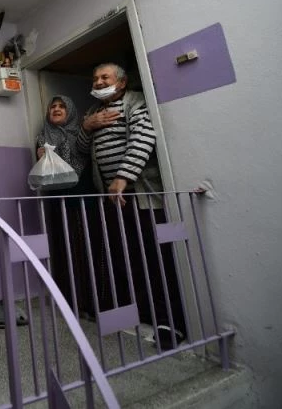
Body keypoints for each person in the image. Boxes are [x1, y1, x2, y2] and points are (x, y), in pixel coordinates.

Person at [76, 62, 186, 349]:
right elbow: (82, 150)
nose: (98, 82)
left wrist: (123, 176)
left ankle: (170, 323)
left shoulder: (135, 101)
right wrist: (86, 127)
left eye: (105, 77)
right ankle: (139, 314)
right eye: (95, 78)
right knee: (126, 258)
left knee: (157, 259)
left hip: (141, 196)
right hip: (113, 200)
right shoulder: (92, 111)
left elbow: (144, 136)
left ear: (122, 82)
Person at [35, 95, 96, 317]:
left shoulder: (82, 132)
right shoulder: (43, 137)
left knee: (87, 248)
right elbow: (44, 172)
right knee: (64, 249)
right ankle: (70, 301)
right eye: (53, 106)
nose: (57, 109)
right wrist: (41, 157)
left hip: (83, 199)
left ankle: (91, 302)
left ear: (70, 111)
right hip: (58, 200)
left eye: (62, 106)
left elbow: (87, 157)